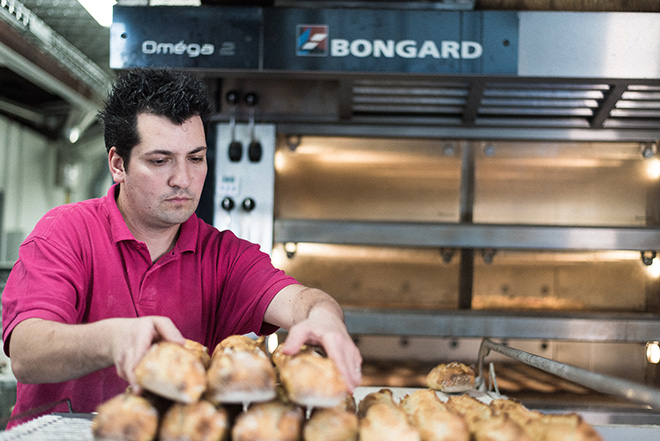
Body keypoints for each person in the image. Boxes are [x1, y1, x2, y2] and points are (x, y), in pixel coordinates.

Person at [1, 68, 362, 428]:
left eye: (195, 158)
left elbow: (301, 301)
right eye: (160, 161)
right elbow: (27, 352)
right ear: (117, 164)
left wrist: (325, 319)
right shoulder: (65, 232)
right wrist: (113, 339)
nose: (183, 180)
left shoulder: (223, 255)